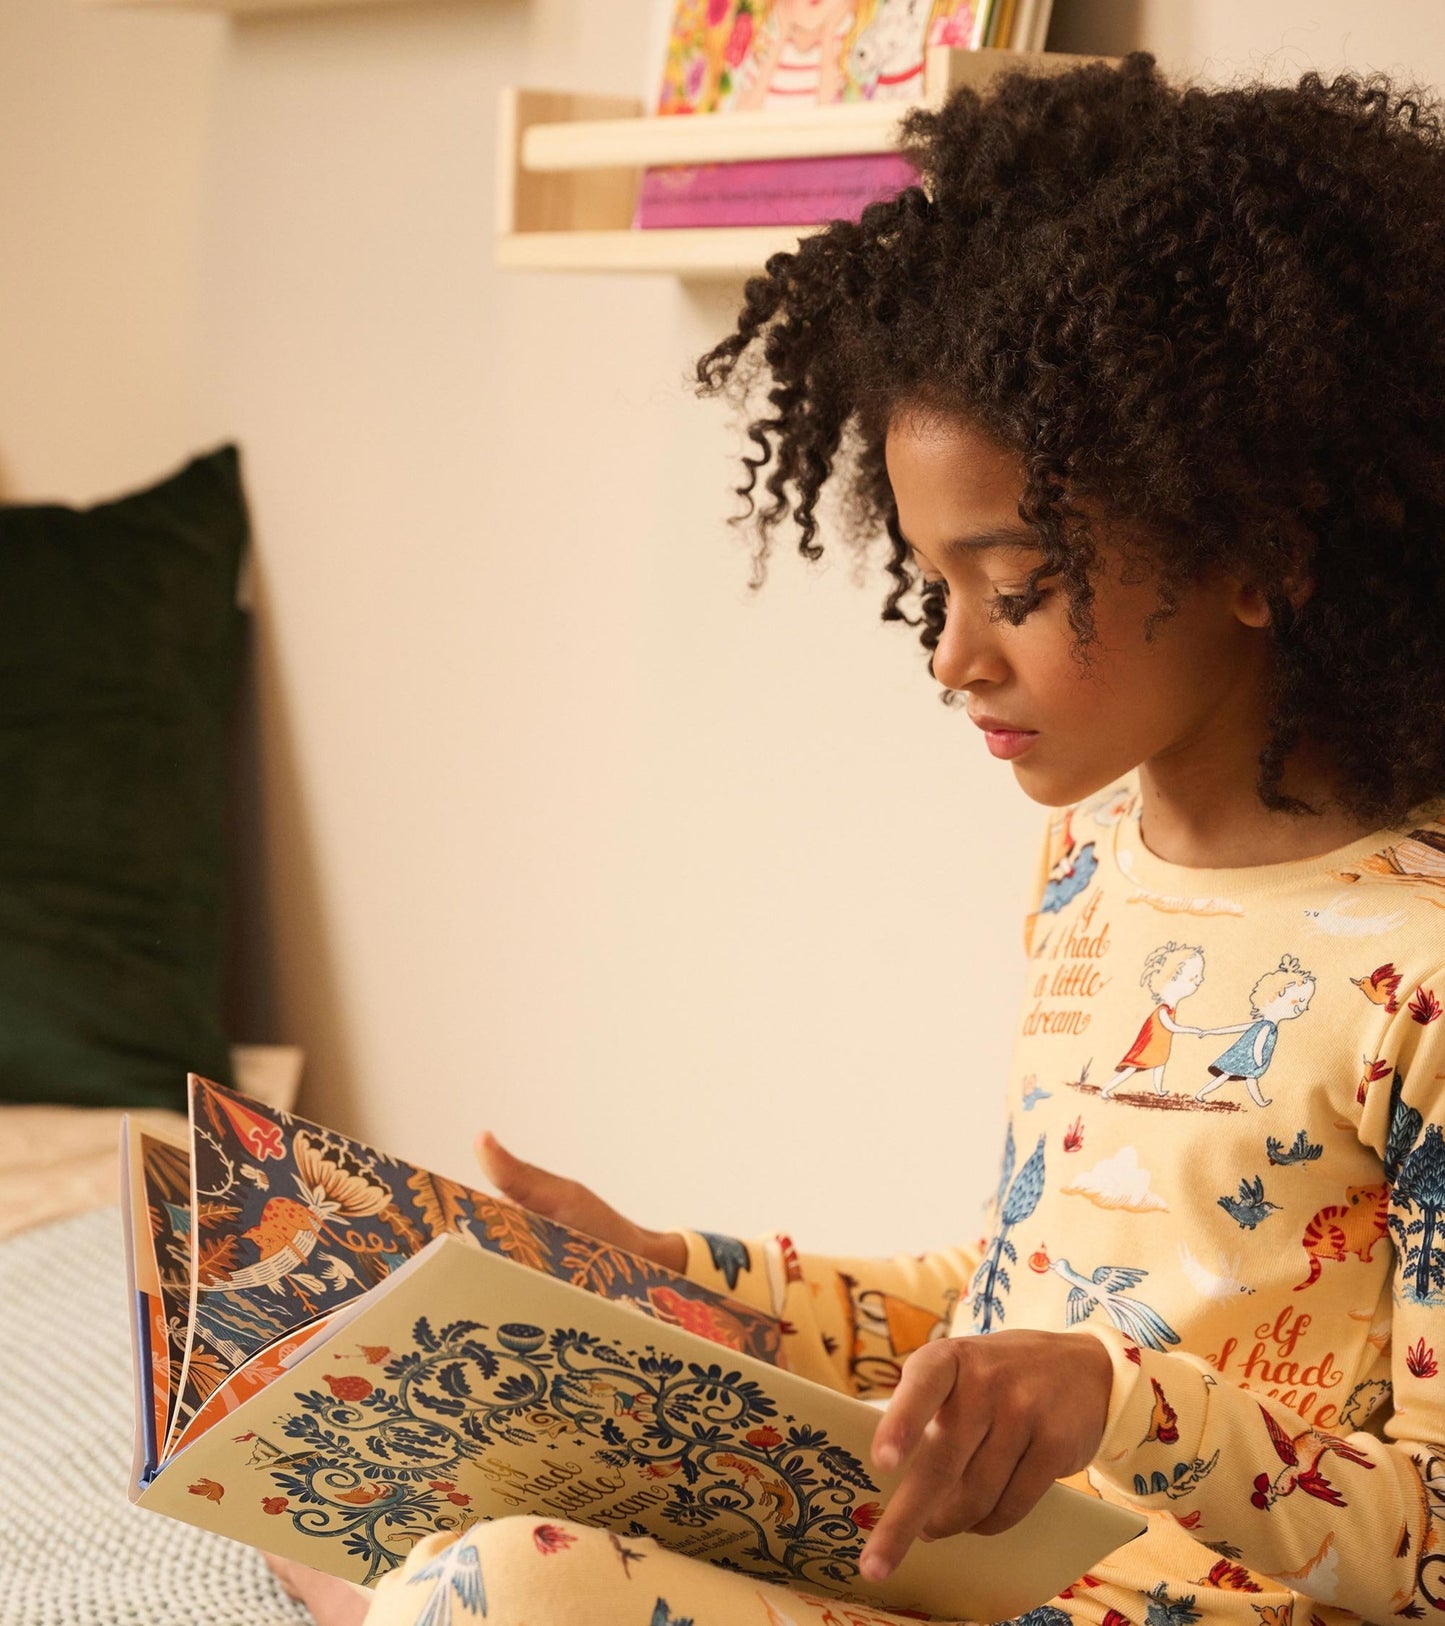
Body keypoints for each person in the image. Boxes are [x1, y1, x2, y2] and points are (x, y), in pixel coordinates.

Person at [271, 49, 1445, 1626]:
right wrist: (662, 1271)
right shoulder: (1095, 866)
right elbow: (994, 1312)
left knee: (487, 1587)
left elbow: (1431, 1541)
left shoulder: (1419, 969)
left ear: (1259, 548)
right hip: (991, 1573)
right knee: (450, 1511)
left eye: (1014, 586)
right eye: (929, 583)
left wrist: (1114, 1406)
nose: (950, 655)